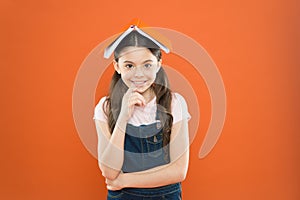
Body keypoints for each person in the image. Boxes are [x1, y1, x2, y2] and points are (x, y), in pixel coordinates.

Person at [93, 25, 191, 200]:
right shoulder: (105, 108)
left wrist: (123, 181)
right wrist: (123, 117)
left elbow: (178, 171)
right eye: (129, 65)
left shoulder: (175, 103)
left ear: (159, 64)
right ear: (117, 66)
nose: (138, 74)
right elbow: (109, 170)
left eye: (147, 65)